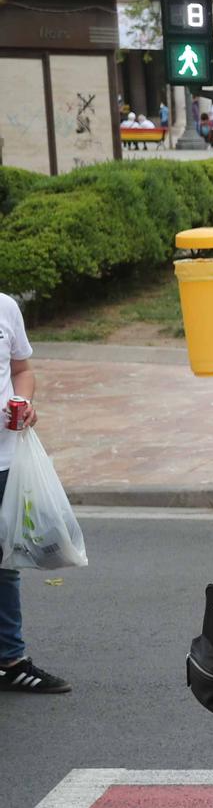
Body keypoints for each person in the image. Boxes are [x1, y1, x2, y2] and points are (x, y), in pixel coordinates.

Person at [0, 292, 65, 694]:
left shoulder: (4, 306)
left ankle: (11, 660)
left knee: (5, 562)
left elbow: (21, 369)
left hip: (5, 459)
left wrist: (23, 402)